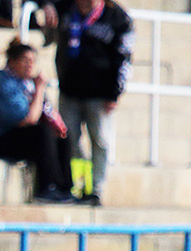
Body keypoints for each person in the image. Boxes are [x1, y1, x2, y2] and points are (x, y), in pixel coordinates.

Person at [42, 0, 133, 205]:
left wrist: (114, 93)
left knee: (100, 140)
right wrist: (46, 5)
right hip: (69, 90)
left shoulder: (117, 17)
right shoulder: (65, 7)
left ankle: (96, 189)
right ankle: (76, 184)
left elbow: (124, 56)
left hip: (100, 94)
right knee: (68, 139)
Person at [0, 39, 76, 203]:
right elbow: (28, 120)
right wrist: (40, 89)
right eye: (25, 60)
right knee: (41, 133)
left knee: (61, 136)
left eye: (33, 61)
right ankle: (47, 188)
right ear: (12, 61)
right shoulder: (3, 83)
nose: (30, 65)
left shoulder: (25, 84)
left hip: (8, 134)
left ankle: (64, 188)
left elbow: (46, 114)